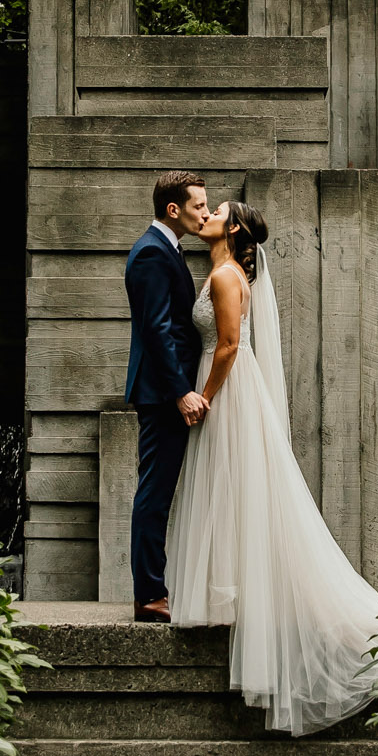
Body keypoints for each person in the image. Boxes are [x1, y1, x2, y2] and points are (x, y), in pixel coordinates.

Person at [166, 198, 378, 736]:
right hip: (233, 391)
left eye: (217, 210)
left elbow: (226, 346)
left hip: (226, 390)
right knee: (235, 490)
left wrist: (204, 398)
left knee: (235, 487)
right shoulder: (222, 270)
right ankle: (236, 590)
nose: (208, 214)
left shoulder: (225, 276)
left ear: (236, 227)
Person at [122, 169, 211, 624]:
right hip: (161, 394)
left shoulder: (167, 249)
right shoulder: (151, 254)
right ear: (173, 209)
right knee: (153, 495)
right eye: (199, 205)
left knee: (158, 492)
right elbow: (157, 330)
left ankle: (154, 590)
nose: (206, 213)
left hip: (166, 390)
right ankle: (150, 596)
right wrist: (181, 392)